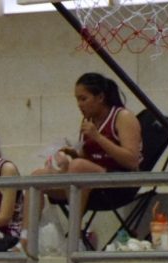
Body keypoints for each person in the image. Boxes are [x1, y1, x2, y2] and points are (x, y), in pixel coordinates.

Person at [28, 72, 142, 221]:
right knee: (38, 176)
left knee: (78, 166)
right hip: (91, 182)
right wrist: (72, 156)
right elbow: (88, 159)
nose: (79, 105)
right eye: (77, 100)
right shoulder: (88, 120)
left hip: (120, 183)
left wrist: (98, 137)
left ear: (100, 97)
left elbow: (132, 161)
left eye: (83, 99)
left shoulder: (123, 117)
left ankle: (74, 230)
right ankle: (26, 233)